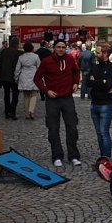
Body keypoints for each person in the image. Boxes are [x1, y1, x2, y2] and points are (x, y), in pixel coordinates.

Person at [33, 39, 82, 167]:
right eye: (58, 47)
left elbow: (76, 71)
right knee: (53, 128)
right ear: (54, 48)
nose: (61, 49)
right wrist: (45, 90)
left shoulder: (70, 59)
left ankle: (73, 155)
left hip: (67, 98)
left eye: (63, 47)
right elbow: (37, 78)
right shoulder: (46, 61)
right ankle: (57, 155)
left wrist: (76, 82)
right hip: (52, 99)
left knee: (72, 127)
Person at [86, 42, 112, 159]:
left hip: (106, 105)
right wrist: (102, 82)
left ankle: (106, 157)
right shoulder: (94, 67)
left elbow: (109, 85)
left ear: (105, 53)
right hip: (94, 104)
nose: (95, 54)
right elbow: (88, 82)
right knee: (99, 134)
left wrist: (97, 82)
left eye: (98, 52)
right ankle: (102, 157)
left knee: (104, 133)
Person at [0, 37, 22, 120]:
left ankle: (7, 112)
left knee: (6, 95)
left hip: (4, 76)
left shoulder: (4, 51)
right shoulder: (18, 53)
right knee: (15, 95)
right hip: (13, 77)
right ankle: (12, 112)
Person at [14, 42, 41, 119]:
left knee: (26, 96)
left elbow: (17, 69)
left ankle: (26, 114)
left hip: (24, 76)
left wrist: (16, 78)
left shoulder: (21, 57)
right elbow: (39, 68)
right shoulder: (36, 56)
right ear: (32, 48)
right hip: (33, 75)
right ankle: (31, 111)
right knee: (34, 94)